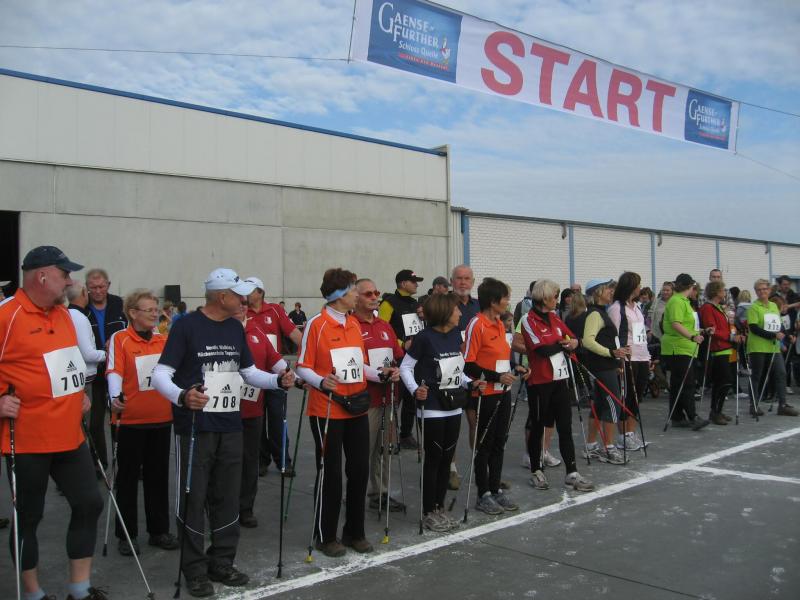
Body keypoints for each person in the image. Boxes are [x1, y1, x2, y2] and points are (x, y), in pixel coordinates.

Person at [151, 268, 294, 598]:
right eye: (239, 294)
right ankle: (194, 569)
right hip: (196, 427)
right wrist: (182, 396)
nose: (245, 299)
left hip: (230, 425)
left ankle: (222, 561)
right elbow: (161, 374)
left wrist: (277, 380)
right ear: (222, 296)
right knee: (194, 498)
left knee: (227, 496)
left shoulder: (234, 327)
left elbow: (248, 372)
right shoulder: (187, 326)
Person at [0, 246, 105, 600]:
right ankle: (33, 594)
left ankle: (80, 589)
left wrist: (80, 393)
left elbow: (67, 364)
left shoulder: (63, 315)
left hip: (70, 435)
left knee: (89, 503)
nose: (71, 282)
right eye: (64, 274)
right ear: (43, 276)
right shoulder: (7, 315)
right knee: (28, 517)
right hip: (26, 439)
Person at [296, 268, 396, 556]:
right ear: (340, 295)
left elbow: (358, 365)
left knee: (359, 470)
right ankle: (325, 535)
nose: (356, 295)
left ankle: (354, 532)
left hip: (357, 407)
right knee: (330, 473)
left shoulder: (352, 323)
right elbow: (302, 366)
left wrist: (381, 374)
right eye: (353, 290)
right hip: (327, 410)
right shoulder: (317, 324)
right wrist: (321, 381)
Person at [400, 294, 483, 531]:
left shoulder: (456, 335)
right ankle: (429, 510)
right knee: (434, 459)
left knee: (447, 459)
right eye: (456, 310)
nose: (460, 313)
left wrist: (470, 382)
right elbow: (405, 367)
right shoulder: (424, 338)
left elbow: (456, 369)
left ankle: (439, 507)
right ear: (445, 313)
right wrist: (415, 390)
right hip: (432, 407)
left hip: (453, 404)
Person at [106, 289, 179, 556]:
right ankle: (126, 534)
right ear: (133, 313)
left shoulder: (163, 340)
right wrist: (114, 396)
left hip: (161, 419)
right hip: (130, 420)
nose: (154, 314)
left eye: (155, 309)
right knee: (127, 479)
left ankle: (158, 530)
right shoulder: (121, 339)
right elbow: (114, 371)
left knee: (157, 477)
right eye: (149, 310)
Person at [514, 279, 594, 492]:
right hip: (539, 382)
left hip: (560, 379)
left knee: (565, 426)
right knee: (538, 426)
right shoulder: (528, 320)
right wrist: (563, 345)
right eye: (555, 296)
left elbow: (572, 338)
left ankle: (572, 472)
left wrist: (573, 342)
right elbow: (541, 350)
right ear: (544, 297)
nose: (557, 300)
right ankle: (536, 470)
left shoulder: (555, 317)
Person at [463, 278, 522, 513]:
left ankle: (496, 488)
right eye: (505, 298)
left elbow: (500, 358)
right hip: (485, 393)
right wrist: (497, 377)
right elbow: (468, 364)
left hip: (503, 392)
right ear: (493, 301)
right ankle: (483, 493)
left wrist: (515, 368)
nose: (508, 302)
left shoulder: (499, 323)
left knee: (499, 441)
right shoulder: (477, 324)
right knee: (484, 443)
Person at [353, 278, 405, 511]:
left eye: (376, 292)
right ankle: (354, 492)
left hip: (388, 397)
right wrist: (378, 374)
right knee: (362, 450)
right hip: (365, 400)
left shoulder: (384, 325)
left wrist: (396, 370)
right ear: (356, 298)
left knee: (384, 448)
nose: (375, 297)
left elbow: (397, 355)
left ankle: (380, 493)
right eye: (368, 294)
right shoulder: (351, 325)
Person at [244, 277, 302, 478]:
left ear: (260, 292)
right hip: (252, 377)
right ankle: (261, 460)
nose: (245, 294)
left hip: (277, 375)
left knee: (278, 419)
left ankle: (283, 460)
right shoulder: (242, 312)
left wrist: (308, 353)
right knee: (257, 420)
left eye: (250, 290)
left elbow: (293, 333)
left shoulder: (275, 310)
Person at [238, 304, 289, 528]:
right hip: (223, 411)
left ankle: (245, 508)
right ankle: (221, 508)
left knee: (250, 461)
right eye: (237, 301)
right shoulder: (219, 330)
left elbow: (274, 359)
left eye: (244, 303)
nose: (241, 307)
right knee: (226, 462)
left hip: (252, 408)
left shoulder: (256, 330)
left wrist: (291, 375)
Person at [573, 278, 629, 463]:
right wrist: (611, 353)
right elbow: (588, 341)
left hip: (605, 366)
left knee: (599, 405)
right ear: (598, 293)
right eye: (607, 289)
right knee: (612, 405)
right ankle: (609, 447)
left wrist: (615, 358)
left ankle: (591, 446)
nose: (611, 292)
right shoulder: (595, 314)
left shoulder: (600, 312)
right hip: (602, 366)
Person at [85, 268, 128, 472]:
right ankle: (99, 464)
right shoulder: (82, 307)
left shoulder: (119, 304)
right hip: (94, 372)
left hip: (119, 369)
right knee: (94, 423)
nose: (97, 291)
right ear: (87, 288)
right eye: (93, 287)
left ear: (108, 285)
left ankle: (127, 463)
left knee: (120, 419)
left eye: (101, 286)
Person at [379, 269, 425, 450]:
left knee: (411, 397)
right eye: (413, 282)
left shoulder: (415, 303)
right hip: (397, 356)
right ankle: (388, 436)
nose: (416, 285)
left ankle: (406, 434)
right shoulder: (388, 303)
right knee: (395, 397)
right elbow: (382, 329)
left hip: (414, 357)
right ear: (403, 283)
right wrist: (401, 344)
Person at [661, 274, 710, 430]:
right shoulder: (677, 301)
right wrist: (692, 336)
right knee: (686, 383)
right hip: (678, 347)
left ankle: (677, 416)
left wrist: (702, 331)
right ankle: (692, 416)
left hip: (685, 347)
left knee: (678, 384)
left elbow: (687, 325)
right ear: (690, 286)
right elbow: (676, 324)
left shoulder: (684, 301)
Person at [607, 272, 649, 451]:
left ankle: (631, 433)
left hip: (642, 355)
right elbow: (613, 334)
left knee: (636, 397)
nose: (640, 287)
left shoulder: (637, 306)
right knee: (626, 397)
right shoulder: (617, 308)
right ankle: (623, 436)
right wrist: (618, 360)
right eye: (638, 284)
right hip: (628, 357)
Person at [746, 279, 797, 416]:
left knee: (781, 373)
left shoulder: (774, 306)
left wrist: (788, 335)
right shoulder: (754, 308)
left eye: (764, 289)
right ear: (756, 292)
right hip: (758, 347)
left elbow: (778, 325)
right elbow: (754, 328)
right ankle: (754, 405)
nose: (762, 291)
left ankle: (782, 404)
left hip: (773, 347)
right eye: (759, 289)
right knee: (757, 376)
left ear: (769, 290)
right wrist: (773, 335)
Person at [699, 280, 741, 424]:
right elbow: (712, 330)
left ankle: (718, 410)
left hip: (727, 348)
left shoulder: (720, 307)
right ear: (716, 292)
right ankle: (715, 411)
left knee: (725, 381)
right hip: (718, 349)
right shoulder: (708, 308)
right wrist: (730, 336)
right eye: (723, 290)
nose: (725, 293)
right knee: (723, 381)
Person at [66, 282, 106, 411]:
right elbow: (88, 354)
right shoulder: (79, 317)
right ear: (84, 293)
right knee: (86, 420)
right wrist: (110, 353)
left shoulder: (67, 314)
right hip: (84, 379)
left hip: (76, 376)